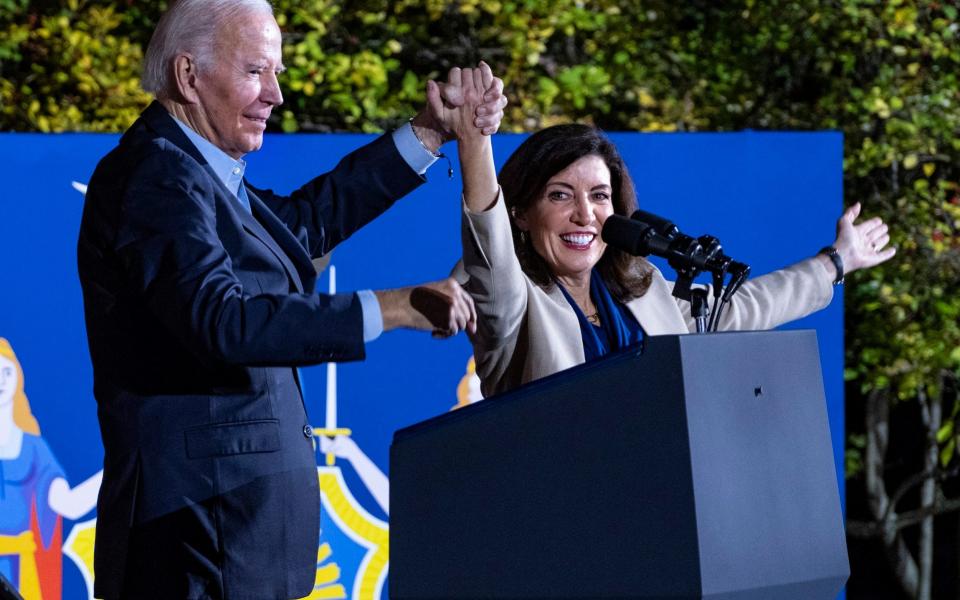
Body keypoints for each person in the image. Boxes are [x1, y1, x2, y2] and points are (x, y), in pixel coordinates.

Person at [76, 0, 503, 597]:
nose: (275, 94)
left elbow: (303, 224)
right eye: (256, 71)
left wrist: (429, 131)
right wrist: (390, 308)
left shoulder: (199, 172)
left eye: (275, 73)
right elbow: (220, 320)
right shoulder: (154, 175)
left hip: (231, 528)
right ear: (188, 76)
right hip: (198, 532)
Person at [444, 68, 894, 398]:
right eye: (560, 196)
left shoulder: (643, 292)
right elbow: (491, 249)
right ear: (522, 213)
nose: (585, 214)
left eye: (600, 197)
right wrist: (474, 141)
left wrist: (836, 261)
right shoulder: (512, 303)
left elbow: (742, 308)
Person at [0, 338, 101, 599]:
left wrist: (120, 471)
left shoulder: (32, 448)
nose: (1, 380)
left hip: (25, 576)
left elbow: (66, 503)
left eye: (7, 371)